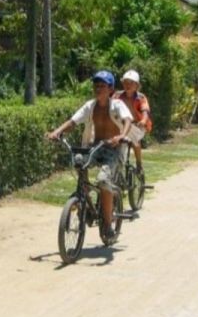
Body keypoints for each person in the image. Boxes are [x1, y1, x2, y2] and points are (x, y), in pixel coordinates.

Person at [46, 70, 133, 236]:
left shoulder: (117, 105)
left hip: (113, 150)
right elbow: (73, 121)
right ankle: (84, 200)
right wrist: (56, 132)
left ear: (110, 89)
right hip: (96, 147)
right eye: (96, 85)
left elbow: (127, 120)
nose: (98, 89)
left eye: (102, 86)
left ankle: (107, 225)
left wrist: (121, 136)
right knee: (78, 160)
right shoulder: (90, 106)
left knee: (102, 180)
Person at [113, 69, 152, 173]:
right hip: (121, 127)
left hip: (137, 126)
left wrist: (143, 121)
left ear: (137, 85)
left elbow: (145, 112)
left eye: (131, 83)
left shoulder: (141, 97)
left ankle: (139, 164)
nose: (128, 85)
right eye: (125, 82)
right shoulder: (117, 96)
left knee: (135, 140)